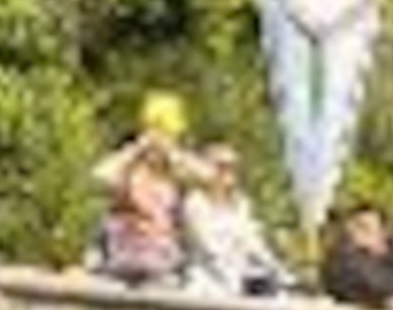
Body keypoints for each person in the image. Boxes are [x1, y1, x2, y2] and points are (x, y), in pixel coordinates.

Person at [88, 93, 190, 287]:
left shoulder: (170, 180)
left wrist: (173, 153)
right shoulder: (128, 174)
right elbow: (100, 176)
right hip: (124, 270)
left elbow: (209, 175)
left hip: (163, 270)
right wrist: (139, 147)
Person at [175, 142, 289, 297]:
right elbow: (209, 248)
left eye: (233, 167)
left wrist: (278, 270)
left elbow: (253, 242)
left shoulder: (241, 203)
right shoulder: (195, 203)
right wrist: (237, 280)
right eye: (221, 166)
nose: (228, 172)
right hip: (207, 284)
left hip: (239, 279)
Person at [316, 201, 393, 310]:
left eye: (364, 227)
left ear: (383, 232)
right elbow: (373, 286)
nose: (356, 232)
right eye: (354, 226)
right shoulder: (343, 259)